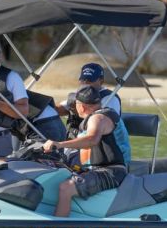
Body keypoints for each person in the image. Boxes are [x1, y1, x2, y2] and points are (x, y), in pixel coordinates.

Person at [43, 85, 131, 217]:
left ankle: (58, 226)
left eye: (75, 105)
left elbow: (92, 139)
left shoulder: (98, 118)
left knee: (66, 188)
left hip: (111, 172)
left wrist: (59, 144)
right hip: (96, 169)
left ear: (81, 107)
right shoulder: (98, 116)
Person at [56, 62, 122, 139]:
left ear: (101, 81)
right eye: (83, 80)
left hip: (99, 142)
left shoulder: (110, 98)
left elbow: (102, 122)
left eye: (89, 81)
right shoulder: (80, 94)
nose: (85, 83)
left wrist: (79, 110)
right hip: (74, 141)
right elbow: (58, 109)